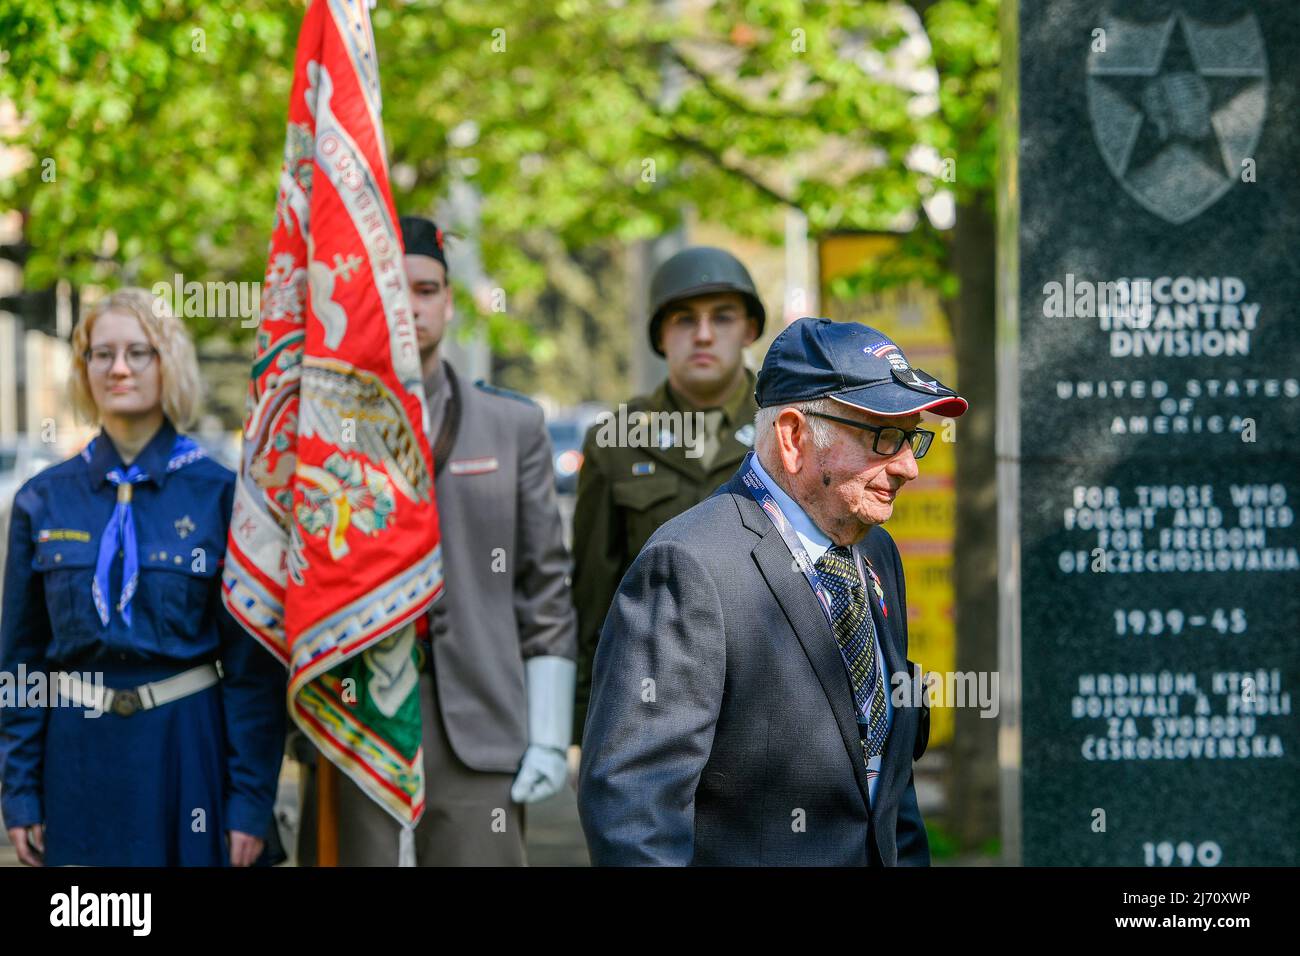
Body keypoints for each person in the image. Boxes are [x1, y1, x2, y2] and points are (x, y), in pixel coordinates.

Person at [578, 317, 968, 865]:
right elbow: (634, 814)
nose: (907, 466)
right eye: (883, 436)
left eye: (912, 439)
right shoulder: (689, 568)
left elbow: (887, 789)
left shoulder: (876, 554)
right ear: (792, 437)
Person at [296, 216, 577, 865]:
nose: (411, 305)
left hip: (477, 726)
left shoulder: (513, 427)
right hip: (353, 723)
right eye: (393, 289)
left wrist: (548, 733)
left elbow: (545, 593)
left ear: (449, 301)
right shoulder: (321, 429)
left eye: (426, 289)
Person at [0, 287, 286, 866]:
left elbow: (253, 671)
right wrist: (20, 789)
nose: (118, 368)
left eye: (138, 351)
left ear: (168, 363)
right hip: (77, 753)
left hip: (186, 749)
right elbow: (20, 663)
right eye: (100, 354)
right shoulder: (42, 500)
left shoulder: (220, 495)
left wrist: (248, 803)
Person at [572, 245, 765, 739]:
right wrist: (585, 730)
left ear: (749, 329)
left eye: (722, 318)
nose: (702, 335)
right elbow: (594, 597)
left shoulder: (790, 429)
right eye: (684, 320)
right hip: (649, 707)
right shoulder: (617, 438)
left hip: (770, 701)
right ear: (661, 334)